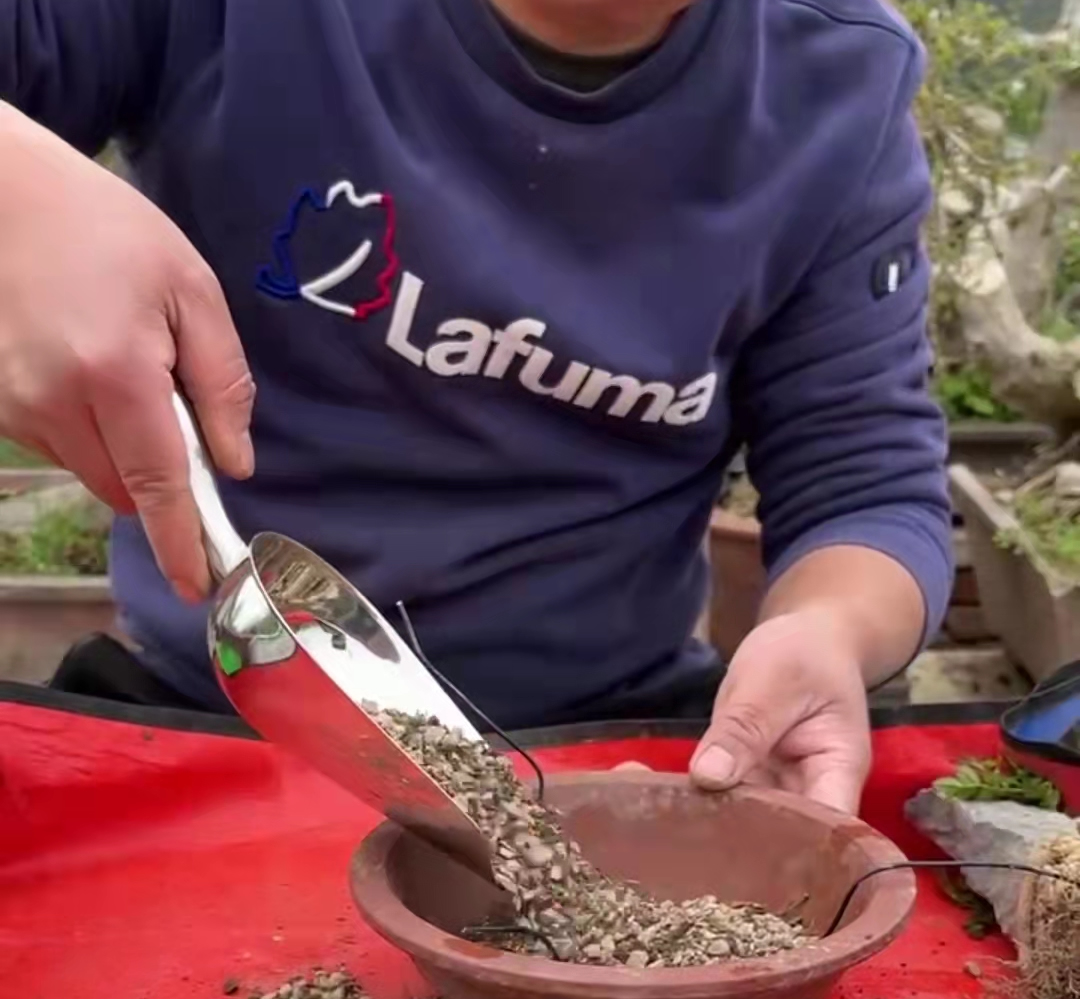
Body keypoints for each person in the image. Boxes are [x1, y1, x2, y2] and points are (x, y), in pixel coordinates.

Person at [0, 0, 950, 813]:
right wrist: (21, 186)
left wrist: (825, 629)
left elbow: (867, 484)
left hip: (616, 741)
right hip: (212, 714)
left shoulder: (840, 87)